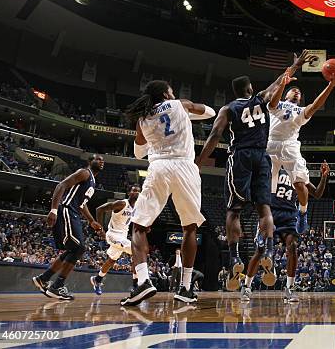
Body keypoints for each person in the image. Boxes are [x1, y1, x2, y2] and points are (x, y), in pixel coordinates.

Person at [196, 51, 312, 291]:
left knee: (234, 209)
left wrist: (198, 162)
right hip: (263, 156)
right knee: (264, 208)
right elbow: (281, 81)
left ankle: (234, 257)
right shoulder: (261, 99)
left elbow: (215, 135)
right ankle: (268, 250)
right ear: (250, 88)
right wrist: (296, 64)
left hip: (240, 156)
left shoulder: (228, 109)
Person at [121, 80, 215, 306]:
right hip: (185, 167)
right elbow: (210, 112)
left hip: (159, 167)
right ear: (166, 93)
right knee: (190, 228)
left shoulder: (143, 118)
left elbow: (138, 153)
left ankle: (143, 281)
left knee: (138, 226)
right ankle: (185, 287)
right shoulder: (180, 104)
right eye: (171, 90)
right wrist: (184, 115)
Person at [267, 60, 335, 234]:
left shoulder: (300, 112)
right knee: (265, 190)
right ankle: (262, 226)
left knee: (300, 185)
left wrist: (330, 85)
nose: (297, 91)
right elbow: (271, 104)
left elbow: (315, 105)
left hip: (290, 146)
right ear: (286, 94)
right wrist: (283, 83)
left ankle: (302, 212)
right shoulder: (276, 104)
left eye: (299, 93)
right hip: (270, 144)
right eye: (294, 90)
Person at [242, 161, 329, 303]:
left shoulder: (298, 172)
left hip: (290, 215)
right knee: (260, 250)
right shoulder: (273, 167)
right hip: (271, 212)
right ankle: (246, 286)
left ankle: (290, 288)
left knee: (293, 247)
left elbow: (317, 194)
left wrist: (324, 177)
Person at [32, 154, 106, 300]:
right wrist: (53, 210)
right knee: (79, 248)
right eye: (98, 159)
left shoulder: (92, 181)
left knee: (74, 249)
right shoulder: (84, 172)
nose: (101, 162)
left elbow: (82, 205)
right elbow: (61, 185)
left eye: (103, 160)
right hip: (66, 209)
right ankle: (56, 286)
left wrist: (92, 221)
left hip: (74, 212)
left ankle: (44, 279)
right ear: (90, 162)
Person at [90, 185, 141, 295]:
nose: (136, 192)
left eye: (138, 191)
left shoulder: (137, 207)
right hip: (113, 235)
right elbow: (100, 209)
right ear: (129, 193)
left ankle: (97, 279)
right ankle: (136, 285)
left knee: (112, 260)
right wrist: (100, 228)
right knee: (136, 251)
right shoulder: (122, 203)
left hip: (123, 236)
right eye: (134, 190)